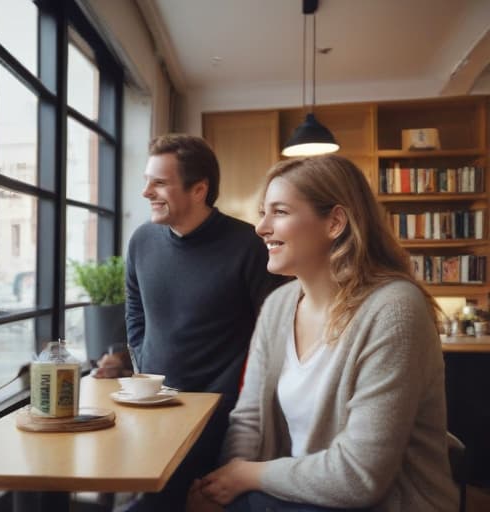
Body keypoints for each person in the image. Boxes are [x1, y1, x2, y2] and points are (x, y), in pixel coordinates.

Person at [188, 155, 458, 512]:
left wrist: (247, 478)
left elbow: (359, 476)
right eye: (262, 212)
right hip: (301, 497)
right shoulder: (278, 306)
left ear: (334, 222)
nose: (261, 227)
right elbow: (249, 419)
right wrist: (223, 486)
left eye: (279, 212)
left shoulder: (393, 310)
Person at [95, 134, 286, 511]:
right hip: (153, 406)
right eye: (148, 180)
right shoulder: (142, 241)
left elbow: (276, 330)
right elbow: (135, 310)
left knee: (177, 500)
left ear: (199, 189)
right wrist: (144, 366)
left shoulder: (248, 244)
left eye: (159, 182)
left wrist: (234, 393)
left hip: (222, 414)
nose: (146, 191)